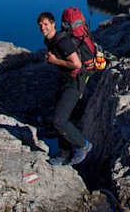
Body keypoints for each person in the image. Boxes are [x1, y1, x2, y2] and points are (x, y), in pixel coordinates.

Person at [37, 11, 93, 166]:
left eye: (46, 24)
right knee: (60, 116)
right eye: (40, 25)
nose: (43, 28)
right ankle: (64, 153)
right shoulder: (49, 40)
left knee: (59, 120)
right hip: (65, 81)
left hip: (75, 83)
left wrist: (55, 61)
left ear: (54, 24)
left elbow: (76, 64)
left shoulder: (62, 41)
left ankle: (83, 145)